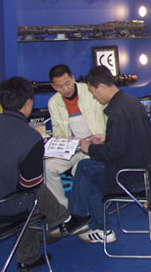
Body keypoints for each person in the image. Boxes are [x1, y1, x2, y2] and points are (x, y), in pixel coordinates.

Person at [0, 77, 90, 272]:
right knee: (30, 193)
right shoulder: (30, 138)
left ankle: (62, 222)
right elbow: (30, 186)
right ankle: (33, 253)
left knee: (19, 187)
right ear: (29, 102)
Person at [71, 66, 151, 244]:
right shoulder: (130, 102)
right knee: (87, 170)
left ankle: (88, 222)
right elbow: (131, 137)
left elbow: (112, 153)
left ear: (101, 87)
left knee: (86, 171)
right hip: (144, 167)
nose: (93, 97)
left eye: (92, 91)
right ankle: (83, 218)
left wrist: (88, 148)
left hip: (129, 175)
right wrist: (107, 137)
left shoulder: (116, 112)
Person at [45, 64, 107, 207]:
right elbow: (58, 132)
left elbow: (106, 116)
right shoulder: (53, 103)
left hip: (95, 145)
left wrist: (103, 137)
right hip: (72, 148)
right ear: (53, 86)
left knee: (80, 169)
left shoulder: (89, 91)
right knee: (47, 167)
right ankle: (62, 210)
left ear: (73, 78)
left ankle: (84, 210)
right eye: (60, 86)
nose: (65, 89)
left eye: (67, 83)